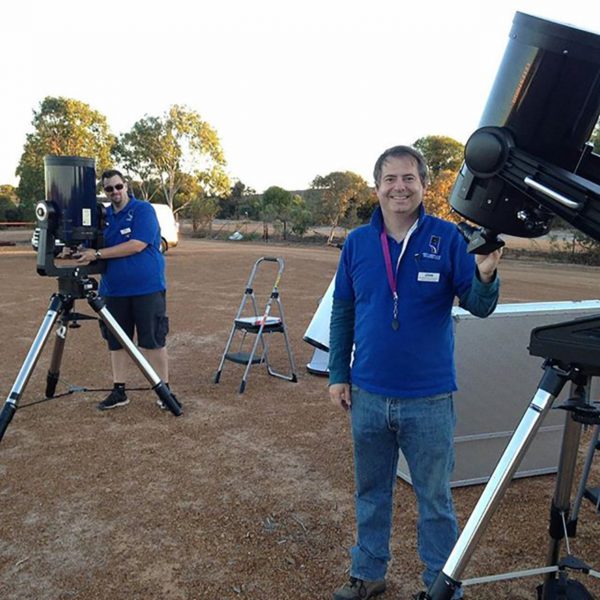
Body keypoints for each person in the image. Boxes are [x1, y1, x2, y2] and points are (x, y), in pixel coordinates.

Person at [328, 146, 502, 600]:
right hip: (366, 393)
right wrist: (336, 374)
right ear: (377, 187)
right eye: (390, 179)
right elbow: (343, 311)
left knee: (436, 502)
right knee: (371, 493)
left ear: (425, 186)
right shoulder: (357, 243)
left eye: (408, 178)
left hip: (428, 399)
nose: (399, 187)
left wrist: (484, 274)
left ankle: (440, 588)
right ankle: (368, 575)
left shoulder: (447, 239)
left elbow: (480, 307)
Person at [75, 169, 173, 411]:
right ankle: (119, 390)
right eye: (109, 189)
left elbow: (137, 245)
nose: (115, 192)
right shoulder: (103, 217)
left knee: (153, 340)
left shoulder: (143, 210)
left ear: (126, 185)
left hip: (146, 288)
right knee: (117, 342)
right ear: (105, 192)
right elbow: (88, 245)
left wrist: (97, 253)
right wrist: (77, 249)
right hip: (114, 290)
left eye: (118, 187)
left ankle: (164, 391)